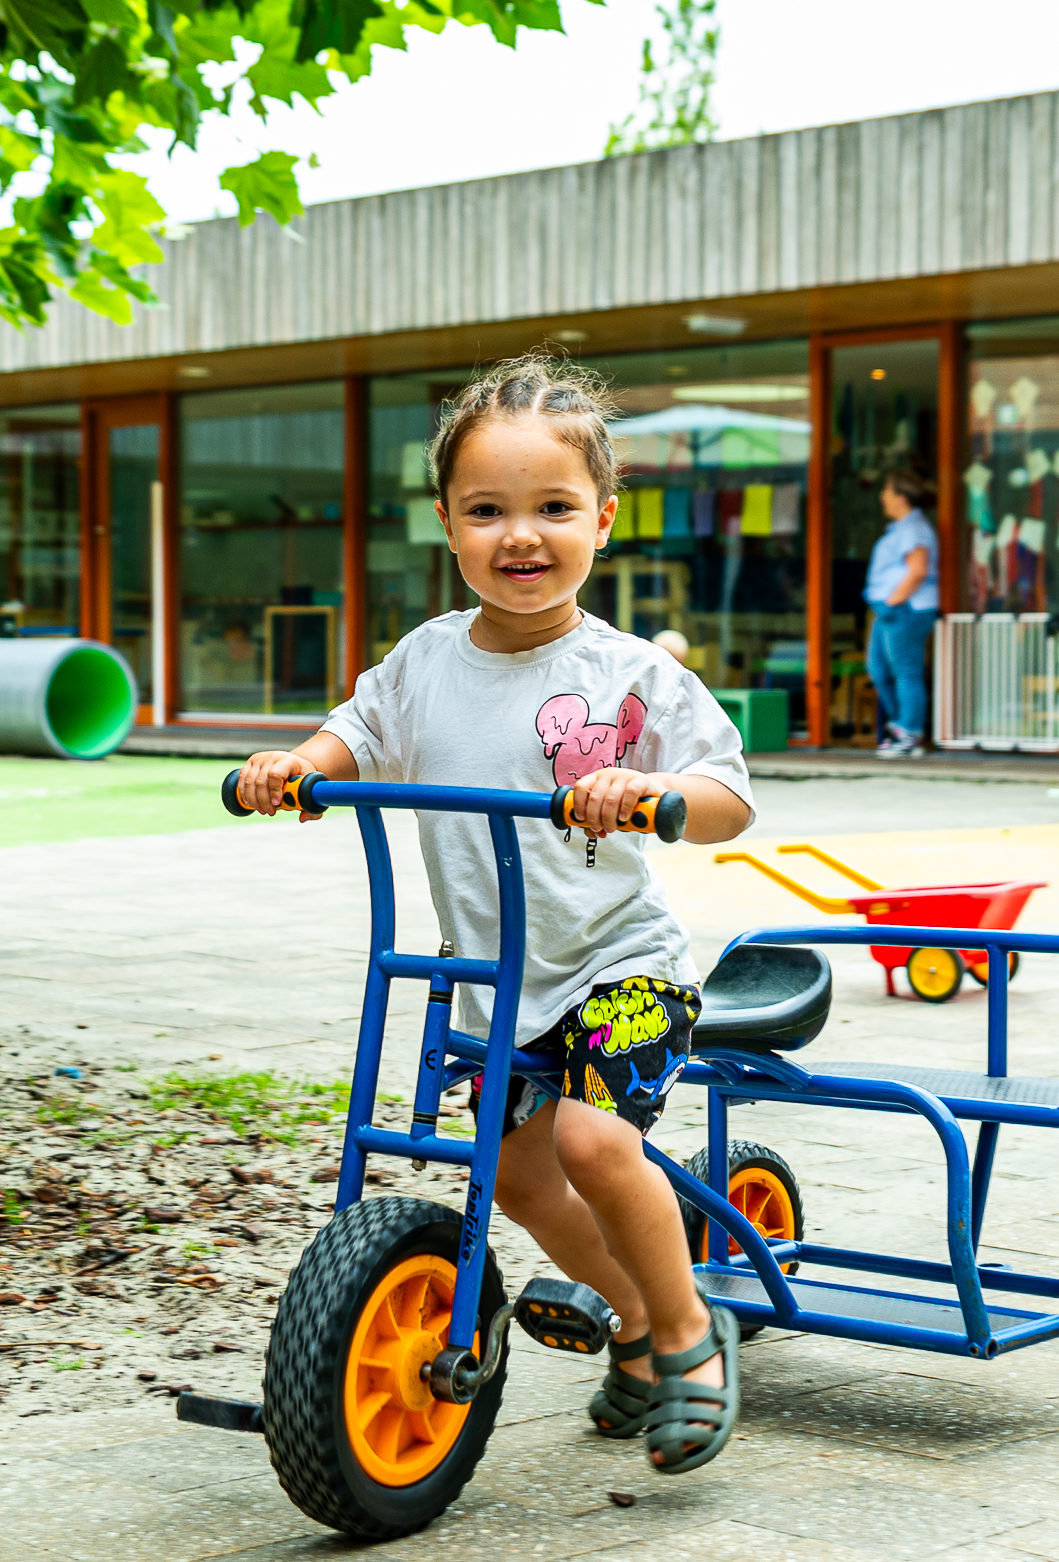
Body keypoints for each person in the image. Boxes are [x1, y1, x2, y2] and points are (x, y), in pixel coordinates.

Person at [235, 355, 759, 1477]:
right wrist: (297, 765)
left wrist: (655, 797)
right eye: (488, 511)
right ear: (447, 523)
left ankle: (686, 1334)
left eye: (552, 508)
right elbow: (354, 730)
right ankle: (625, 1317)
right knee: (515, 1176)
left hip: (619, 965)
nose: (520, 535)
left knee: (586, 1138)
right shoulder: (423, 660)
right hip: (494, 973)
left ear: (603, 519)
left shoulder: (629, 674)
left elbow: (727, 796)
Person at [865, 471, 940, 756]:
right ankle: (901, 727)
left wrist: (892, 602)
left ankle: (909, 735)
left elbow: (918, 570)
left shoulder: (913, 529)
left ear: (901, 498)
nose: (882, 497)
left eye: (886, 491)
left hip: (905, 609)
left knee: (905, 671)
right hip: (892, 609)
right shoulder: (901, 528)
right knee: (879, 669)